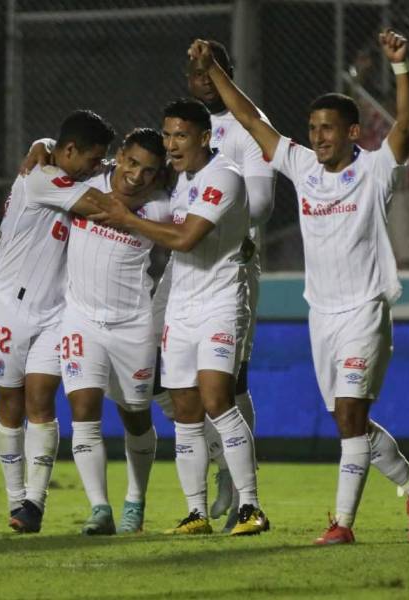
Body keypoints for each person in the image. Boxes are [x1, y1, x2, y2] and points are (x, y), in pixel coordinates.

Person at [188, 30, 409, 544]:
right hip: (320, 314)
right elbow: (251, 121)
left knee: (350, 416)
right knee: (350, 421)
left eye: (328, 128)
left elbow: (406, 124)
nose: (319, 136)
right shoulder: (302, 165)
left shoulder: (375, 170)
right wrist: (213, 69)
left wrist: (399, 66)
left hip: (365, 309)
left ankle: (342, 525)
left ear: (353, 132)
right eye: (313, 128)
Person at [94, 98, 269, 536]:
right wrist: (42, 147)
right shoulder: (178, 178)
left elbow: (187, 238)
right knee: (186, 413)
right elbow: (121, 167)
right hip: (181, 306)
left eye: (181, 136)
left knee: (217, 401)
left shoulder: (224, 176)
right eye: (168, 135)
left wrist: (126, 219)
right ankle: (197, 513)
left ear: (205, 138)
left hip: (220, 303)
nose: (171, 144)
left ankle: (251, 506)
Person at [155, 41, 276, 531]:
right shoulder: (180, 145)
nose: (202, 77)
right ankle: (209, 485)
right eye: (196, 70)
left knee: (225, 387)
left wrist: (224, 220)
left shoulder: (247, 128)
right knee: (161, 380)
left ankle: (241, 490)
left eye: (213, 70)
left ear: (229, 73)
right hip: (182, 272)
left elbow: (261, 204)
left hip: (230, 264)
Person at [0, 109, 117, 534]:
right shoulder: (39, 179)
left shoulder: (60, 164)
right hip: (7, 305)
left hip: (56, 311)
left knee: (41, 401)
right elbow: (99, 205)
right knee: (10, 404)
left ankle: (33, 503)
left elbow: (73, 161)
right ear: (70, 150)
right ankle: (14, 496)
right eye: (92, 159)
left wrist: (42, 143)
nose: (96, 167)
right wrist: (41, 145)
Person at [57, 128, 169, 535]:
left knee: (136, 417)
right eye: (132, 163)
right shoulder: (87, 182)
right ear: (119, 156)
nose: (136, 176)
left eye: (148, 170)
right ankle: (99, 508)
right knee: (83, 409)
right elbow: (55, 158)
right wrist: (39, 147)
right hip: (81, 319)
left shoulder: (161, 208)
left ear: (158, 175)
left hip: (133, 324)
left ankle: (135, 501)